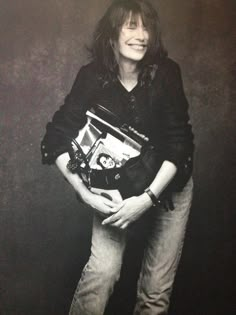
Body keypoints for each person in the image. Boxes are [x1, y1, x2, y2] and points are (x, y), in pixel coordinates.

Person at [41, 0, 194, 314]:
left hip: (167, 188)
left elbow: (180, 145)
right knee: (103, 272)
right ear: (111, 34)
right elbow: (55, 139)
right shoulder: (92, 77)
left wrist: (147, 198)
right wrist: (86, 196)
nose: (142, 35)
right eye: (132, 25)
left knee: (154, 295)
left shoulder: (166, 73)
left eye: (147, 26)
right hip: (116, 189)